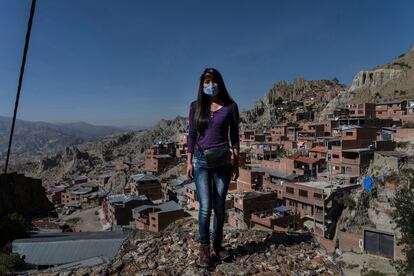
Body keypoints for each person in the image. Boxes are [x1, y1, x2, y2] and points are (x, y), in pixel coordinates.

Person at [186, 68, 240, 267]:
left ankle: (218, 246)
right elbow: (192, 134)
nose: (210, 85)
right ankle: (204, 249)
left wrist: (237, 162)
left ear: (220, 83)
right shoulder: (195, 106)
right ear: (202, 85)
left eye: (214, 81)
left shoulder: (230, 106)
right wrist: (188, 161)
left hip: (223, 160)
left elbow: (234, 136)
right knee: (206, 207)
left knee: (219, 207)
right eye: (207, 82)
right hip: (201, 160)